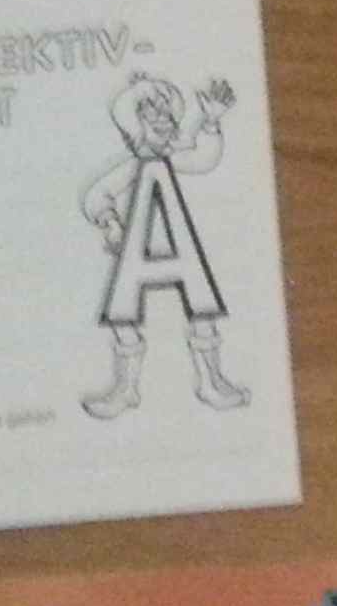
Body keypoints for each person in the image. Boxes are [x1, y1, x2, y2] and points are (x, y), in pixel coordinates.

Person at [80, 71, 250, 419]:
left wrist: (211, 123)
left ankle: (210, 381)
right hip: (136, 253)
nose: (162, 117)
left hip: (180, 250)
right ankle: (126, 388)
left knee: (202, 309)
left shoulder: (175, 159)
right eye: (151, 111)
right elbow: (98, 193)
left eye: (165, 110)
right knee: (122, 314)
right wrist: (110, 223)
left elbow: (205, 158)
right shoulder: (133, 167)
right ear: (135, 125)